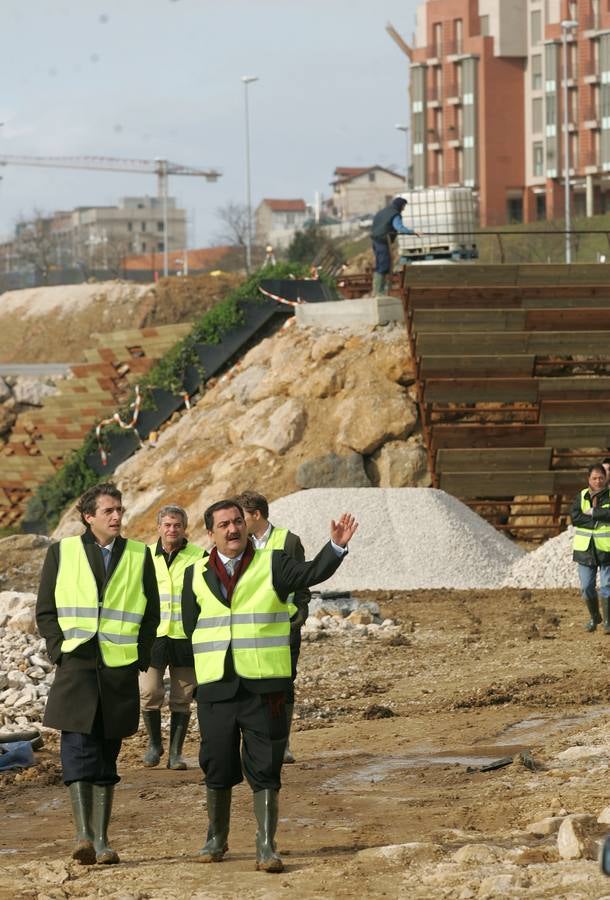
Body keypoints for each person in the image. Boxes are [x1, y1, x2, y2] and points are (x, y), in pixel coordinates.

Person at [182, 499, 358, 873]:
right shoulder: (194, 574)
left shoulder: (273, 562)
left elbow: (311, 573)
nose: (233, 529)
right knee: (216, 762)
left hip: (265, 686)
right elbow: (189, 625)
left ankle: (266, 846)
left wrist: (336, 547)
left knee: (265, 766)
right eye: (224, 525)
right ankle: (216, 839)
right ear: (210, 533)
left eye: (237, 522)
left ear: (246, 525)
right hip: (216, 685)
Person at [36, 483, 160, 866]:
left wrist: (139, 657)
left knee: (108, 753)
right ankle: (83, 836)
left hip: (119, 667)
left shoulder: (139, 554)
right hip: (77, 664)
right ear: (89, 517)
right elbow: (46, 609)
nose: (117, 516)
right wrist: (59, 651)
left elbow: (151, 613)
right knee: (75, 749)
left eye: (119, 510)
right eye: (108, 511)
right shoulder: (63, 552)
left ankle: (103, 841)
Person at [235, 490, 309, 764]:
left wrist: (299, 614)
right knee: (249, 683)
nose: (236, 525)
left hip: (283, 626)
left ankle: (283, 743)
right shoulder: (239, 542)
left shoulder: (288, 541)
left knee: (283, 684)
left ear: (256, 515)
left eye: (242, 518)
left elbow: (302, 581)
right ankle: (254, 742)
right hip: (248, 628)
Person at [140, 505, 204, 770]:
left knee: (182, 696)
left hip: (186, 637)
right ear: (158, 528)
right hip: (154, 636)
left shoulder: (199, 556)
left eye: (177, 525)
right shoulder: (144, 557)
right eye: (167, 525)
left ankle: (175, 754)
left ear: (184, 528)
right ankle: (155, 744)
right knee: (149, 691)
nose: (172, 529)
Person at [570, 463, 610, 633]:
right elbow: (575, 518)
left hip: (606, 549)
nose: (598, 481)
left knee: (607, 586)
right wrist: (599, 519)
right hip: (585, 551)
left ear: (605, 478)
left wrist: (594, 513)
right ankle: (595, 617)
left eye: (601, 477)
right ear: (589, 479)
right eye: (594, 478)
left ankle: (608, 622)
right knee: (586, 587)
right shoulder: (581, 496)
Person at [370, 196, 417, 297]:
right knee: (384, 266)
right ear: (400, 205)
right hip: (382, 242)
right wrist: (413, 232)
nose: (403, 209)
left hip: (375, 240)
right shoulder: (395, 214)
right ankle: (379, 291)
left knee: (379, 265)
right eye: (403, 206)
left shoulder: (383, 211)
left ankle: (377, 290)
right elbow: (399, 227)